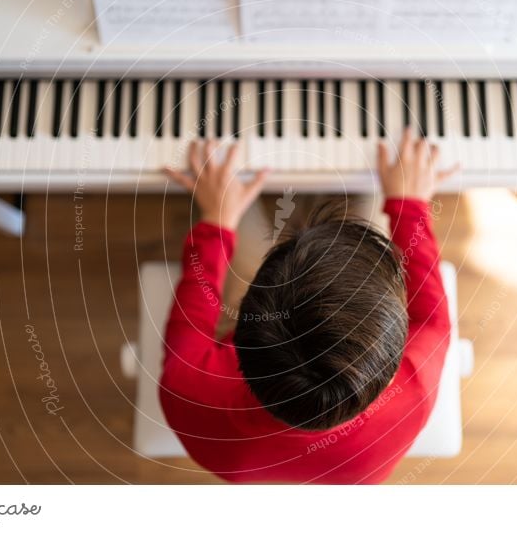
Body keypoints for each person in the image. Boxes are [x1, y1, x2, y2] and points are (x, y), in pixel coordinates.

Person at [161, 129, 457, 483]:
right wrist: (408, 205)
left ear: (244, 323)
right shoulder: (413, 396)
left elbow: (192, 316)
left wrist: (215, 222)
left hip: (242, 454)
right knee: (369, 182)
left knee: (229, 190)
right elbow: (435, 323)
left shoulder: (189, 394)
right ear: (392, 362)